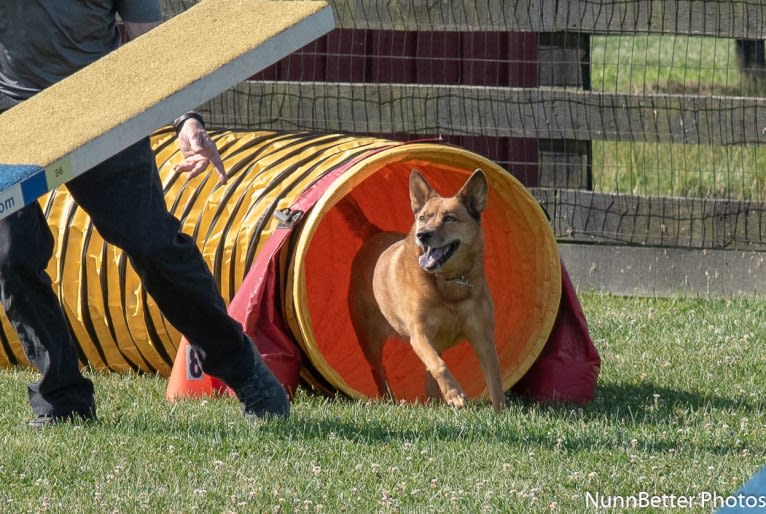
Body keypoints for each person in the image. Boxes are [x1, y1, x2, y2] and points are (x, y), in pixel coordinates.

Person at [0, 0, 290, 427]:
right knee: (12, 255)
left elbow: (149, 45)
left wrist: (185, 119)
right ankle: (62, 401)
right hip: (14, 121)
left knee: (153, 244)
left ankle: (246, 372)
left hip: (100, 116)